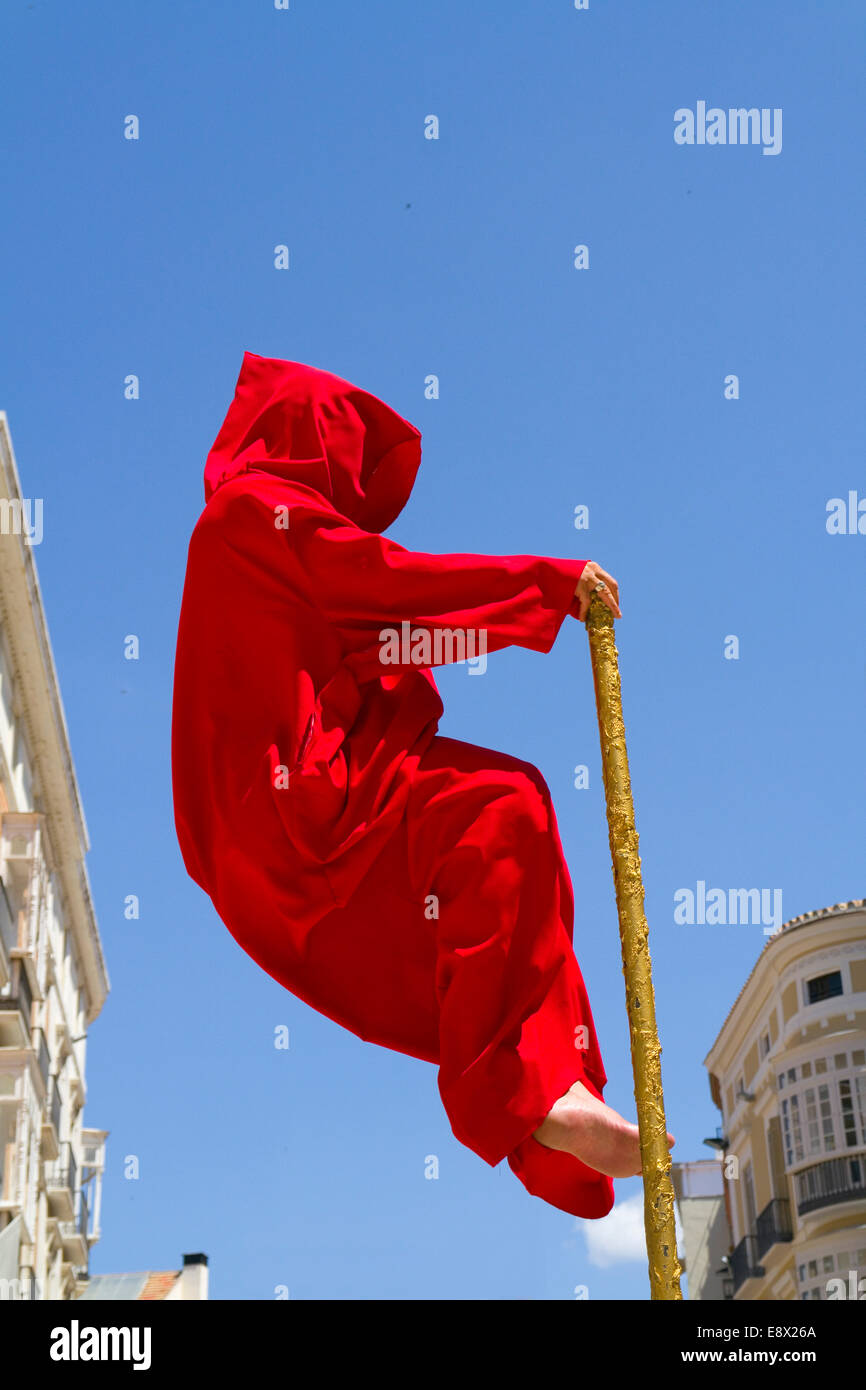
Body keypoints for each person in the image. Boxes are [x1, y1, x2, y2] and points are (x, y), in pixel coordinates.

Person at [171, 351, 673, 1220]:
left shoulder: (271, 550)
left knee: (509, 822)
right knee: (500, 804)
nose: (351, 500)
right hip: (296, 818)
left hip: (295, 850)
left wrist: (523, 616)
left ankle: (551, 1090)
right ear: (308, 437)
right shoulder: (252, 517)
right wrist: (543, 584)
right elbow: (388, 588)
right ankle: (517, 1089)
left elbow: (396, 636)